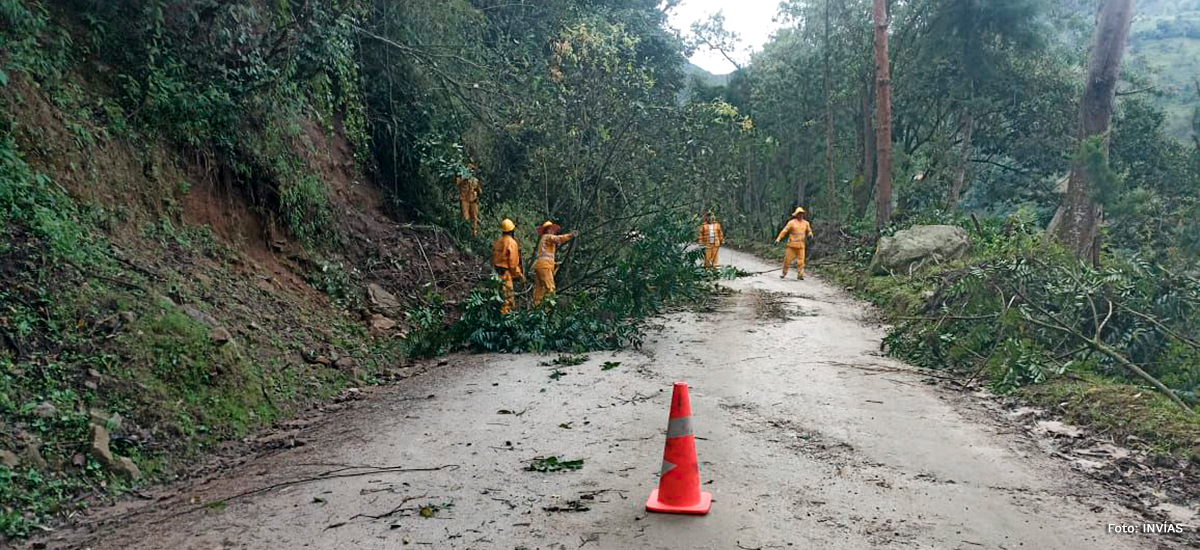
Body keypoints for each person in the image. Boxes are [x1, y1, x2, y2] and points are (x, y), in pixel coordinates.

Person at [532, 220, 577, 306]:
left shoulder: (543, 239)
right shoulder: (548, 237)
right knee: (550, 289)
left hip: (539, 266)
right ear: (548, 230)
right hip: (545, 266)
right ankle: (548, 310)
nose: (553, 231)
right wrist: (570, 235)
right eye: (551, 229)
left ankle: (536, 309)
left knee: (539, 290)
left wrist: (555, 264)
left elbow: (544, 255)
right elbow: (558, 239)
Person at [491, 218, 524, 314]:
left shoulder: (498, 242)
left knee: (496, 297)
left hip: (495, 274)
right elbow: (513, 263)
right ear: (512, 230)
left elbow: (493, 257)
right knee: (507, 300)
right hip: (505, 274)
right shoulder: (512, 243)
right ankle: (503, 320)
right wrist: (519, 275)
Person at [774, 207, 814, 280]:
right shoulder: (791, 222)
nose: (801, 215)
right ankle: (784, 273)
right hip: (791, 246)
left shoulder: (806, 223)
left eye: (802, 214)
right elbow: (784, 231)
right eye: (799, 214)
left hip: (801, 245)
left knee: (801, 262)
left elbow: (809, 231)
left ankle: (800, 275)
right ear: (796, 214)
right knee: (787, 261)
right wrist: (778, 239)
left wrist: (810, 235)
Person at [455, 163, 482, 234]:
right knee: (465, 217)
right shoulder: (462, 179)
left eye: (473, 170)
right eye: (470, 170)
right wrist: (462, 177)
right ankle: (464, 232)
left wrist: (476, 194)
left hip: (473, 201)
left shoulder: (475, 180)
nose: (471, 171)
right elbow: (456, 184)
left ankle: (473, 233)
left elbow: (479, 191)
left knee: (474, 218)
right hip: (464, 200)